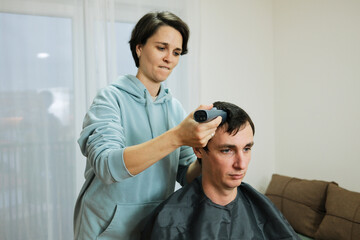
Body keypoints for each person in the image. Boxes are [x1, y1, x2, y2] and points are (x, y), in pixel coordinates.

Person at [73, 11, 222, 240]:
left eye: (176, 52)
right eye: (161, 48)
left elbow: (186, 174)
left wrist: (207, 155)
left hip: (154, 227)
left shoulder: (174, 108)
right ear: (139, 48)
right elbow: (106, 165)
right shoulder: (109, 99)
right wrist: (177, 136)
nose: (169, 58)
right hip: (105, 230)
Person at [141, 101, 300, 240]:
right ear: (198, 150)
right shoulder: (168, 220)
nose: (241, 164)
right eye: (227, 150)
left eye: (246, 149)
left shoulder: (263, 208)